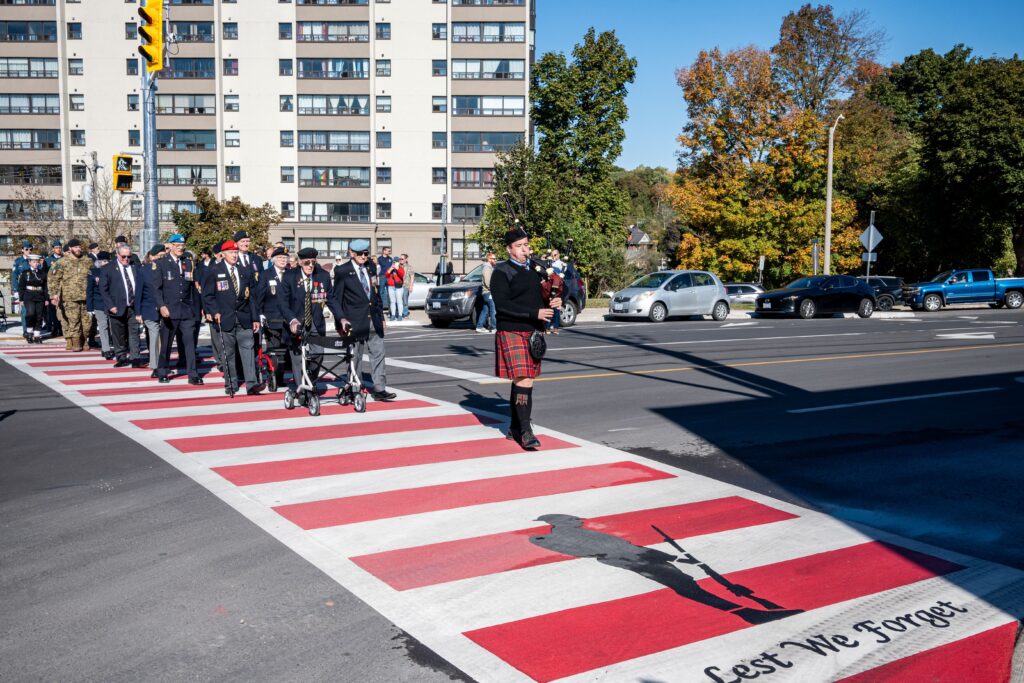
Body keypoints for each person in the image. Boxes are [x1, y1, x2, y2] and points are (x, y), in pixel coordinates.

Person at [490, 227, 561, 449]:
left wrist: (554, 302)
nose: (524, 249)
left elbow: (546, 296)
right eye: (519, 246)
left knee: (522, 380)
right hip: (511, 329)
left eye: (526, 245)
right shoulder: (501, 272)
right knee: (524, 378)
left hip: (533, 331)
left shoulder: (536, 271)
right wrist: (534, 313)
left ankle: (514, 426)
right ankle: (526, 431)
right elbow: (502, 305)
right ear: (509, 249)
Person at [332, 239, 395, 401]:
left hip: (373, 318)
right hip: (354, 321)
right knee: (355, 356)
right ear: (351, 254)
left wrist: (381, 316)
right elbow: (336, 299)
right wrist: (339, 322)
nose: (364, 256)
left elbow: (375, 293)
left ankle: (380, 389)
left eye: (366, 253)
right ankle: (355, 387)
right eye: (360, 254)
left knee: (378, 354)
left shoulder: (371, 267)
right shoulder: (342, 271)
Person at [202, 240, 264, 395]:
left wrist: (255, 318)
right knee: (228, 353)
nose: (234, 255)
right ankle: (231, 383)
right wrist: (214, 311)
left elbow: (252, 298)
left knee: (248, 351)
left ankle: (251, 383)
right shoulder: (214, 270)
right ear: (223, 254)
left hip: (244, 318)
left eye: (236, 253)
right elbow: (208, 295)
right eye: (231, 252)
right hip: (224, 318)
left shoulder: (245, 270)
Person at [281, 247, 342, 392]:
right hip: (296, 322)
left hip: (316, 322)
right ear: (300, 262)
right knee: (297, 358)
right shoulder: (290, 276)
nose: (310, 266)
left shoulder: (323, 276)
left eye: (313, 262)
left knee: (318, 354)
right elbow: (282, 303)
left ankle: (311, 378)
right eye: (307, 262)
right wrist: (292, 320)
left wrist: (342, 318)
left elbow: (331, 299)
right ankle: (300, 387)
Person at [150, 234, 202, 385]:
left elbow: (192, 287)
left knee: (189, 343)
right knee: (166, 343)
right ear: (170, 246)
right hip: (169, 309)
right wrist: (161, 306)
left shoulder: (188, 262)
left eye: (182, 245)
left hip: (186, 310)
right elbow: (156, 288)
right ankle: (163, 371)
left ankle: (193, 374)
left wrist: (196, 308)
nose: (181, 248)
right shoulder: (161, 263)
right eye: (177, 246)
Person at [100, 245, 144, 368]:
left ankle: (135, 357)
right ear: (117, 255)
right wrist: (110, 305)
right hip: (116, 307)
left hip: (133, 306)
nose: (126, 259)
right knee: (118, 334)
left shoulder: (135, 266)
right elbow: (103, 289)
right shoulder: (108, 268)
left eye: (128, 256)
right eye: (123, 256)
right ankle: (121, 357)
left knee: (134, 333)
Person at [255, 246, 292, 388]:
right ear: (274, 260)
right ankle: (273, 376)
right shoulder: (265, 275)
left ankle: (281, 376)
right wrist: (260, 314)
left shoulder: (291, 274)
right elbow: (259, 297)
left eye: (285, 258)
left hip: (288, 319)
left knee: (286, 349)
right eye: (280, 258)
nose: (283, 260)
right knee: (274, 350)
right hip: (272, 318)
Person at [48, 238, 93, 351]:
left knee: (87, 322)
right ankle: (76, 342)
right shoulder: (61, 262)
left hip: (86, 297)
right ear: (70, 248)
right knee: (74, 320)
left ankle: (84, 339)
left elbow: (94, 276)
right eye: (76, 247)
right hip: (69, 297)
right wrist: (54, 294)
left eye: (79, 247)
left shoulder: (87, 261)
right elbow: (53, 279)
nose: (79, 249)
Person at [136, 245, 164, 376]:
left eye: (162, 256)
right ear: (151, 257)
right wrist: (138, 312)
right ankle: (155, 365)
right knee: (154, 336)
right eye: (158, 256)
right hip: (149, 308)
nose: (160, 258)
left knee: (164, 338)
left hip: (166, 309)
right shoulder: (144, 271)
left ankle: (163, 363)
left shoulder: (168, 268)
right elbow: (138, 293)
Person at [86, 251, 113, 359]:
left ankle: (116, 347)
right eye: (102, 261)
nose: (104, 263)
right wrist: (90, 307)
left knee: (113, 326)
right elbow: (89, 290)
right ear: (98, 262)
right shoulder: (93, 272)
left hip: (111, 303)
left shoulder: (113, 271)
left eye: (106, 261)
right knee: (103, 325)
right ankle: (105, 349)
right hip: (99, 303)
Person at [17, 253, 47, 343]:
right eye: (34, 262)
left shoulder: (42, 273)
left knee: (39, 315)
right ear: (29, 262)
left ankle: (37, 334)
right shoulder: (25, 273)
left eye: (37, 262)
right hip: (29, 296)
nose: (36, 263)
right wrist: (21, 299)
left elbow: (45, 287)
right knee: (30, 314)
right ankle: (29, 332)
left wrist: (46, 299)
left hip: (40, 296)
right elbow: (21, 287)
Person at [12, 239, 32, 332]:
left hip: (33, 290)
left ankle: (32, 330)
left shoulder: (34, 260)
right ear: (22, 250)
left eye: (30, 249)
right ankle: (25, 331)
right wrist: (15, 290)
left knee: (34, 312)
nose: (29, 251)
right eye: (27, 249)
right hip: (23, 290)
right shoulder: (18, 261)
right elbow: (14, 276)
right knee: (24, 312)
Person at [44, 240, 63, 338]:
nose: (58, 249)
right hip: (52, 288)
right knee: (53, 311)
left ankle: (61, 329)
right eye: (56, 248)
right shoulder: (48, 260)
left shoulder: (65, 258)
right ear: (53, 249)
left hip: (62, 288)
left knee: (62, 309)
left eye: (59, 247)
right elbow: (45, 275)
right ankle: (54, 329)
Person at [475, 252, 498, 333]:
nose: (495, 260)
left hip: (486, 293)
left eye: (495, 258)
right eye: (493, 259)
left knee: (485, 310)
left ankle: (479, 326)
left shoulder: (489, 267)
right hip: (489, 292)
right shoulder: (487, 268)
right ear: (489, 259)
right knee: (493, 310)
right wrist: (494, 290)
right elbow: (488, 282)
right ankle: (493, 328)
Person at [384, 253, 405, 320]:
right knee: (392, 302)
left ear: (398, 262)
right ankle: (393, 315)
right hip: (391, 286)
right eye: (394, 262)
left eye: (396, 262)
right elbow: (386, 275)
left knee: (399, 301)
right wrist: (390, 269)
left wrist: (397, 268)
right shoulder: (391, 268)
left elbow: (402, 275)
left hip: (398, 287)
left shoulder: (401, 268)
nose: (395, 263)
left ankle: (400, 315)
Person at [377, 246, 393, 318]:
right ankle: (380, 311)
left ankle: (390, 311)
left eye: (389, 251)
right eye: (388, 251)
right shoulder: (379, 259)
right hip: (382, 277)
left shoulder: (390, 259)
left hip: (389, 277)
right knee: (381, 293)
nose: (389, 252)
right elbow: (377, 268)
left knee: (390, 294)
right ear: (384, 251)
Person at [400, 254, 414, 320]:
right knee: (399, 300)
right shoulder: (398, 266)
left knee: (405, 300)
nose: (401, 260)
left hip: (406, 286)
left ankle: (405, 314)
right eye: (400, 259)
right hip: (398, 286)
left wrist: (411, 286)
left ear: (406, 259)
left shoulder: (409, 267)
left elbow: (412, 277)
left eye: (402, 259)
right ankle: (400, 313)